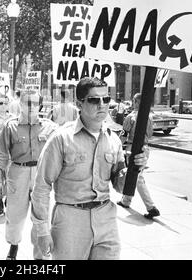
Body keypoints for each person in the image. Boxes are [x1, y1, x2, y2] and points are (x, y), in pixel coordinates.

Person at [30, 77, 149, 260]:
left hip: (106, 221)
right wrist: (42, 230)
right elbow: (41, 186)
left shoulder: (113, 140)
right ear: (79, 103)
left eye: (106, 99)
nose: (102, 105)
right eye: (94, 100)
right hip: (70, 221)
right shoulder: (61, 139)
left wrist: (135, 167)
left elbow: (119, 186)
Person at [0, 90, 59, 260]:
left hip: (41, 174)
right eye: (27, 103)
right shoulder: (11, 126)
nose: (32, 107)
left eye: (36, 103)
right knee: (14, 216)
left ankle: (39, 254)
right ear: (20, 104)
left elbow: (61, 150)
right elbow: (1, 153)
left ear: (40, 105)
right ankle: (14, 245)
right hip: (18, 173)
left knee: (41, 215)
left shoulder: (50, 127)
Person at [116, 93, 160, 220]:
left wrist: (118, 146)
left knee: (138, 178)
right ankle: (126, 200)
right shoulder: (149, 117)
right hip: (146, 148)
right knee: (134, 175)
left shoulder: (131, 117)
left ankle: (151, 207)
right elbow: (150, 134)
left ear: (135, 102)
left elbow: (124, 135)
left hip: (133, 148)